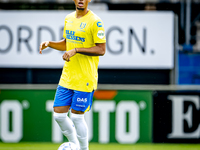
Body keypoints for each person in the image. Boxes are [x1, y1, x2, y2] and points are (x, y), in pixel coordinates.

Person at [39, 0, 106, 150]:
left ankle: (83, 149)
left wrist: (76, 50)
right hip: (68, 76)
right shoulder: (68, 18)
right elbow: (66, 43)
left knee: (76, 117)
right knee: (59, 116)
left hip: (85, 78)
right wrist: (50, 43)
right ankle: (74, 146)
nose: (81, 0)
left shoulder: (95, 22)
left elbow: (101, 49)